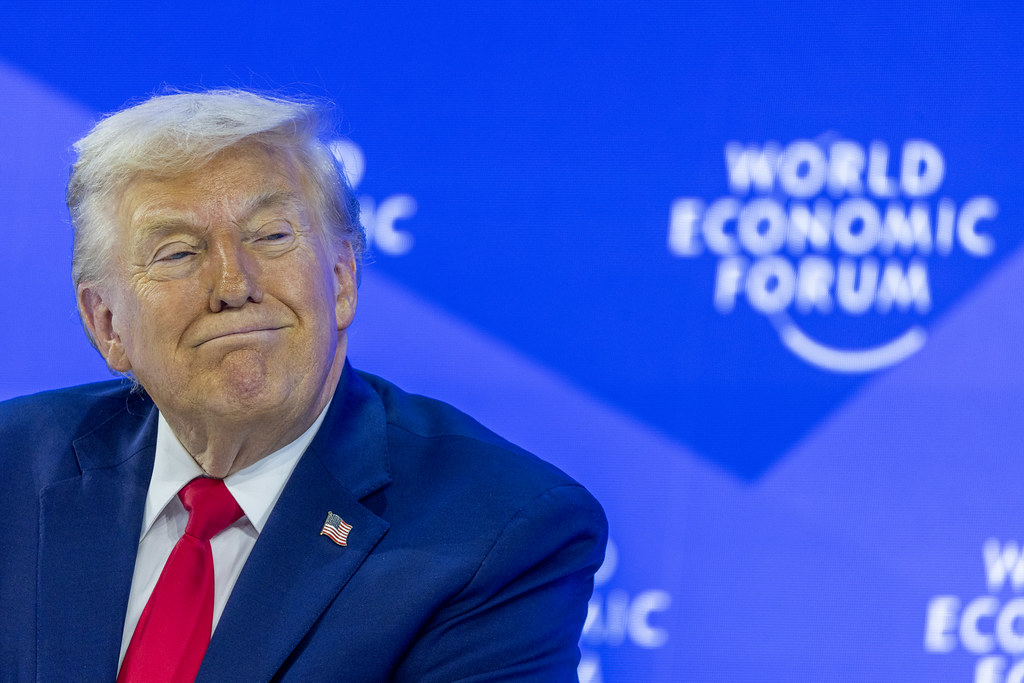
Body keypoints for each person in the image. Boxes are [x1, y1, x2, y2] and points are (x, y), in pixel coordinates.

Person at [0, 89, 607, 682]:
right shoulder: (12, 469)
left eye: (271, 236)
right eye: (179, 252)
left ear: (342, 279)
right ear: (106, 323)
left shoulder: (495, 533)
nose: (234, 285)